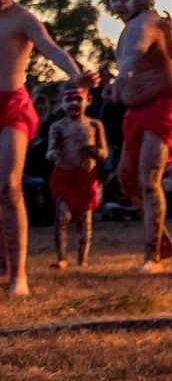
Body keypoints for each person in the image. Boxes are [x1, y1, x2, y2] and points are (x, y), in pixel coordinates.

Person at [1, 0, 96, 295]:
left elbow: (51, 49)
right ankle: (3, 264)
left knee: (10, 188)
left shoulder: (23, 19)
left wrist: (77, 76)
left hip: (12, 106)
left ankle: (19, 276)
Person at [104, 0, 172, 273]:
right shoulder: (135, 26)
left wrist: (120, 80)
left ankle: (151, 255)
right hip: (137, 112)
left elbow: (134, 56)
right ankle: (165, 242)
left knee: (148, 177)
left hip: (166, 107)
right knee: (127, 180)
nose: (118, 5)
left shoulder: (146, 23)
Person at [47, 86, 107, 269]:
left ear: (88, 100)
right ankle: (62, 258)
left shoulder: (95, 125)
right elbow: (50, 149)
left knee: (85, 219)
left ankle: (83, 260)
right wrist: (53, 154)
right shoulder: (57, 126)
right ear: (61, 103)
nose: (74, 103)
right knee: (62, 217)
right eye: (69, 99)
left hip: (86, 177)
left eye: (78, 99)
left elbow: (104, 152)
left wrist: (94, 152)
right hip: (64, 175)